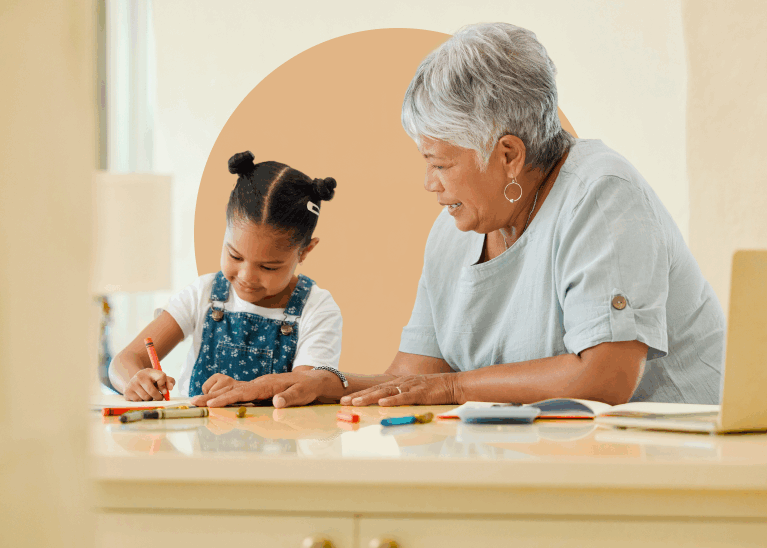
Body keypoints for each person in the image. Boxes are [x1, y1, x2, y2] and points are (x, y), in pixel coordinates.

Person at [192, 22, 725, 409]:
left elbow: (603, 380)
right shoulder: (454, 231)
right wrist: (323, 383)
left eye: (440, 163)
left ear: (508, 155)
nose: (429, 184)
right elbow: (411, 377)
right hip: (556, 466)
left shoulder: (603, 195)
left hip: (677, 464)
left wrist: (452, 389)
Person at [110, 150, 343, 401]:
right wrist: (135, 380)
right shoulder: (204, 294)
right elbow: (124, 361)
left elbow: (305, 388)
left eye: (268, 267)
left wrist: (246, 389)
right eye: (235, 256)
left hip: (281, 439)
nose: (247, 276)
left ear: (305, 251)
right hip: (196, 438)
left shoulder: (317, 309)